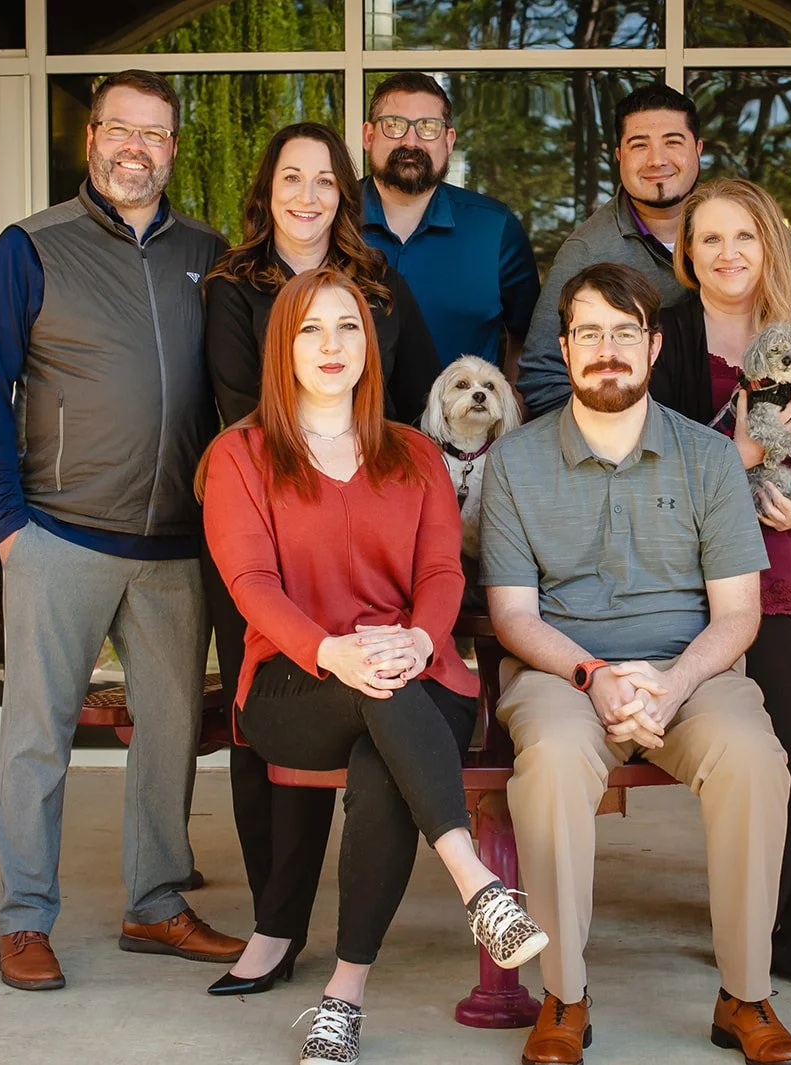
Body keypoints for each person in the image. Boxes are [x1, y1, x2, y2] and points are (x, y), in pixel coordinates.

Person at [201, 267, 548, 1065]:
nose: (332, 346)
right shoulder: (241, 455)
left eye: (348, 327)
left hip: (417, 674)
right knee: (377, 699)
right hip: (297, 683)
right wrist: (332, 650)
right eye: (311, 330)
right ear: (281, 348)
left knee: (383, 742)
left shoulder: (415, 453)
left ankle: (343, 997)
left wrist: (423, 640)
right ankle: (479, 885)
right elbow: (250, 583)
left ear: (370, 345)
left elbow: (441, 576)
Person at [0, 68, 245, 991]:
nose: (137, 148)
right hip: (60, 535)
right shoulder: (31, 247)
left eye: (155, 135)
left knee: (169, 736)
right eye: (122, 130)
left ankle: (155, 903)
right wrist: (7, 525)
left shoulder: (210, 252)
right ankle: (24, 918)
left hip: (173, 547)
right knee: (38, 736)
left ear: (172, 148)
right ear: (92, 139)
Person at [482, 262, 791, 1065]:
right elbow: (513, 615)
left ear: (654, 345)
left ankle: (746, 991)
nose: (607, 350)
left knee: (754, 759)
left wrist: (673, 680)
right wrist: (595, 675)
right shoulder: (517, 462)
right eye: (588, 332)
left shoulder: (707, 458)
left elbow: (738, 613)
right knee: (554, 762)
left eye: (624, 332)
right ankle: (564, 993)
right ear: (563, 347)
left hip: (689, 673)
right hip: (565, 675)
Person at [199, 121, 442, 996]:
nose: (307, 196)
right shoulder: (232, 283)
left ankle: (339, 960)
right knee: (273, 735)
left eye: (325, 181)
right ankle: (277, 923)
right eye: (290, 179)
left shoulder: (378, 284)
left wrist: (380, 480)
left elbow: (404, 396)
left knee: (371, 707)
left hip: (363, 529)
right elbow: (240, 404)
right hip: (269, 526)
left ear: (347, 192)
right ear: (266, 190)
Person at [652, 178, 791, 995]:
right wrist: (743, 458)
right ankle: (760, 928)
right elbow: (653, 467)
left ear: (770, 245)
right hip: (721, 591)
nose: (728, 254)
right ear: (689, 253)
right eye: (709, 239)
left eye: (743, 237)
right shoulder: (667, 338)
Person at [516, 83, 703, 415]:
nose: (657, 159)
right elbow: (542, 376)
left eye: (672, 142)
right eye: (639, 145)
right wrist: (610, 444)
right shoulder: (588, 251)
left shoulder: (737, 233)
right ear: (619, 155)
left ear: (698, 149)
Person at [359, 72, 540, 374]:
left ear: (449, 140)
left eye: (428, 128)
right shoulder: (331, 218)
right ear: (368, 136)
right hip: (346, 422)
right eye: (394, 125)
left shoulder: (494, 228)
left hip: (463, 421)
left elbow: (529, 340)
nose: (410, 141)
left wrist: (515, 412)